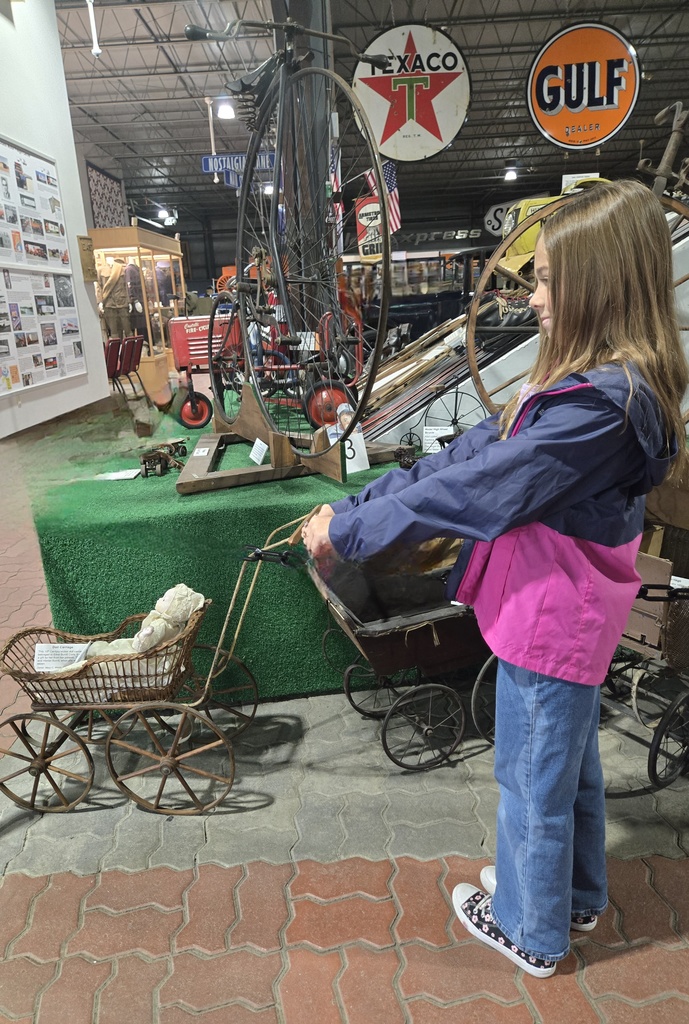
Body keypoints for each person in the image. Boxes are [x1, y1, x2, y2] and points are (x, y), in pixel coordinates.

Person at [301, 179, 689, 979]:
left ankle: (530, 928)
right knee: (568, 769)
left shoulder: (599, 407)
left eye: (545, 279)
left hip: (552, 623)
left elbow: (474, 490)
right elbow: (470, 454)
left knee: (529, 779)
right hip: (555, 617)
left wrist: (350, 532)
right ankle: (572, 896)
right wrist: (357, 505)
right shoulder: (586, 386)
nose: (533, 296)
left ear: (594, 284)